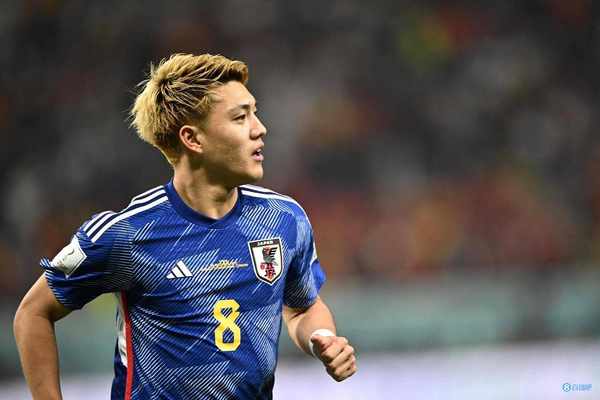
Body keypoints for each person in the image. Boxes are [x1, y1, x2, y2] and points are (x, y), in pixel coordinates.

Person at [13, 53, 357, 399]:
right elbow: (33, 313)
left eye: (255, 112)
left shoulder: (283, 219)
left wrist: (322, 338)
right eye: (240, 117)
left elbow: (302, 307)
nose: (259, 128)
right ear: (193, 139)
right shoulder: (128, 233)